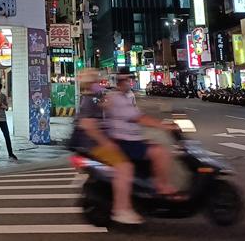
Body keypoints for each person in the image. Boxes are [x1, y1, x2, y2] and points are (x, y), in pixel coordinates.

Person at [71, 70, 141, 225]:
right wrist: (106, 142)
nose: (98, 82)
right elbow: (87, 125)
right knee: (125, 167)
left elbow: (107, 108)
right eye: (95, 80)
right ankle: (121, 210)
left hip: (98, 143)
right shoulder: (88, 100)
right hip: (93, 145)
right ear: (89, 83)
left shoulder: (95, 97)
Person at [106, 68, 177, 196]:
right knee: (161, 152)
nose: (130, 82)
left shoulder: (123, 97)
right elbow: (139, 118)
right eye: (128, 80)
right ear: (122, 82)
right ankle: (162, 186)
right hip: (126, 143)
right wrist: (164, 126)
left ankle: (150, 180)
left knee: (153, 144)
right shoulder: (119, 99)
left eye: (130, 80)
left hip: (129, 140)